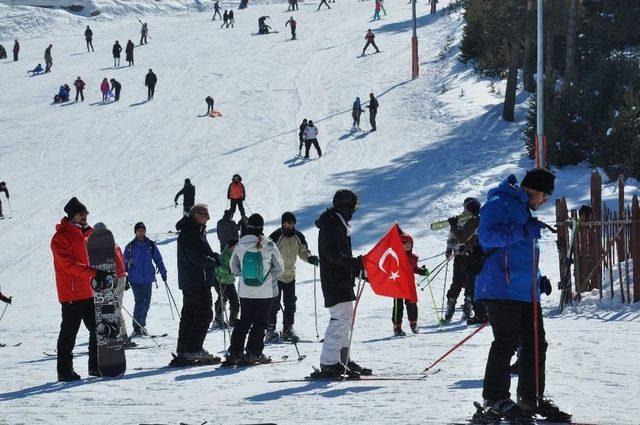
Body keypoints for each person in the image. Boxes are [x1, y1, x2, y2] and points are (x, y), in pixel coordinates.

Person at [475, 168, 570, 421]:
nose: (544, 202)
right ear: (535, 190)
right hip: (500, 287)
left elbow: (520, 253)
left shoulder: (523, 209)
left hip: (524, 290)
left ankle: (531, 399)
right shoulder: (499, 202)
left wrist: (538, 281)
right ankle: (495, 399)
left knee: (536, 344)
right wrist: (522, 230)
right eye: (545, 197)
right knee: (505, 342)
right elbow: (486, 236)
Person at [314, 190, 371, 377]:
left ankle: (342, 358)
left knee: (346, 321)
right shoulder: (331, 225)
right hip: (334, 281)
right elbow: (332, 255)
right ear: (345, 206)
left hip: (341, 280)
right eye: (354, 207)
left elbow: (341, 256)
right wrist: (354, 263)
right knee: (340, 320)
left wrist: (358, 269)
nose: (354, 211)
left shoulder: (338, 223)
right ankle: (329, 362)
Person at [51, 197, 102, 381]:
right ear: (72, 216)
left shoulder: (87, 234)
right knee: (69, 333)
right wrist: (94, 272)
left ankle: (95, 367)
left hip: (87, 291)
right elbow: (68, 265)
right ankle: (64, 372)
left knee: (97, 329)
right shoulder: (60, 237)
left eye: (86, 213)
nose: (85, 217)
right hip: (71, 294)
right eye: (81, 214)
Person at [225, 213, 284, 365]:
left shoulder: (239, 245)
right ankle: (254, 352)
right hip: (266, 292)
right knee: (260, 322)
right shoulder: (269, 245)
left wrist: (244, 276)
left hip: (246, 291)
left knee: (244, 321)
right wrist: (270, 277)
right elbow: (280, 268)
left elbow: (233, 268)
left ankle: (235, 351)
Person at [175, 204, 220, 362]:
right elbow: (196, 257)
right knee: (204, 314)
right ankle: (193, 349)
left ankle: (184, 350)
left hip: (194, 280)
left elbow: (203, 252)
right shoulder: (190, 232)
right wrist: (213, 262)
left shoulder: (195, 231)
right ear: (196, 215)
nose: (208, 218)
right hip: (196, 280)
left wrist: (215, 256)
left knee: (190, 314)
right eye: (205, 215)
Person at [266, 212, 319, 343]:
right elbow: (266, 252)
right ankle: (270, 329)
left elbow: (303, 252)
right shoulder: (276, 236)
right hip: (276, 276)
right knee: (274, 304)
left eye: (292, 223)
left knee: (290, 304)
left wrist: (310, 258)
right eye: (288, 223)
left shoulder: (298, 236)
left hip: (290, 276)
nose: (290, 225)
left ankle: (288, 329)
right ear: (283, 223)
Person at [124, 222, 168, 337]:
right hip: (135, 279)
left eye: (143, 230)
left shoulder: (151, 245)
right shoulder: (131, 246)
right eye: (139, 231)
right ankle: (137, 327)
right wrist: (125, 276)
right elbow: (124, 262)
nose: (141, 232)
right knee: (139, 302)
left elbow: (158, 259)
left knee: (146, 303)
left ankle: (142, 325)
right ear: (135, 232)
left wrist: (163, 272)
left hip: (148, 278)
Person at [443, 197, 483, 323]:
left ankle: (467, 309)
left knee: (470, 284)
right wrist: (449, 248)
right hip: (459, 256)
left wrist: (454, 227)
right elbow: (452, 235)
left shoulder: (475, 220)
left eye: (467, 207)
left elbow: (463, 238)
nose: (465, 209)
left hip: (471, 256)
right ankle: (450, 309)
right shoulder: (460, 219)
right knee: (457, 282)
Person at [93, 222, 130, 345]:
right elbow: (121, 262)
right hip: (118, 278)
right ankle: (122, 335)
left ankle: (121, 336)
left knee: (114, 309)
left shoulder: (106, 245)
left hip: (115, 279)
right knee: (116, 308)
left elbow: (115, 263)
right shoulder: (114, 244)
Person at [392, 233, 428, 336]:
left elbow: (414, 268)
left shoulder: (413, 257)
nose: (408, 245)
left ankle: (413, 324)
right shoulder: (395, 257)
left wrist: (421, 271)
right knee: (398, 306)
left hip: (409, 285)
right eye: (405, 243)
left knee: (412, 304)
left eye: (409, 243)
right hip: (398, 284)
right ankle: (397, 327)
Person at [213, 238, 240, 328]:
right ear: (232, 246)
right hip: (220, 280)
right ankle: (218, 318)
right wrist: (228, 270)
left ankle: (233, 318)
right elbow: (219, 267)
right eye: (236, 246)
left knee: (235, 300)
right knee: (222, 298)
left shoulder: (235, 254)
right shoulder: (224, 255)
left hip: (229, 281)